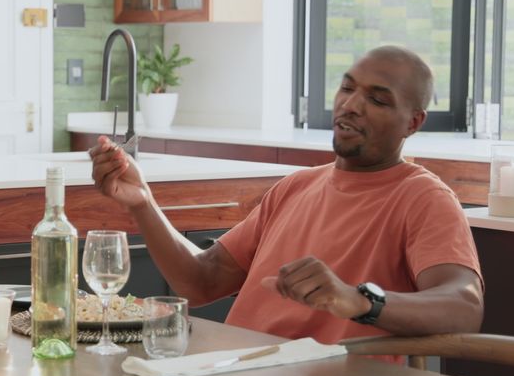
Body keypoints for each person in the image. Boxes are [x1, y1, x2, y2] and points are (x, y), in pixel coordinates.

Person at [89, 46, 484, 346]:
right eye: (347, 88)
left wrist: (361, 302)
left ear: (413, 122)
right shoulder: (296, 187)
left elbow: (464, 307)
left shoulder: (424, 197)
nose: (351, 105)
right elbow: (201, 282)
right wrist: (143, 202)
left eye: (378, 100)